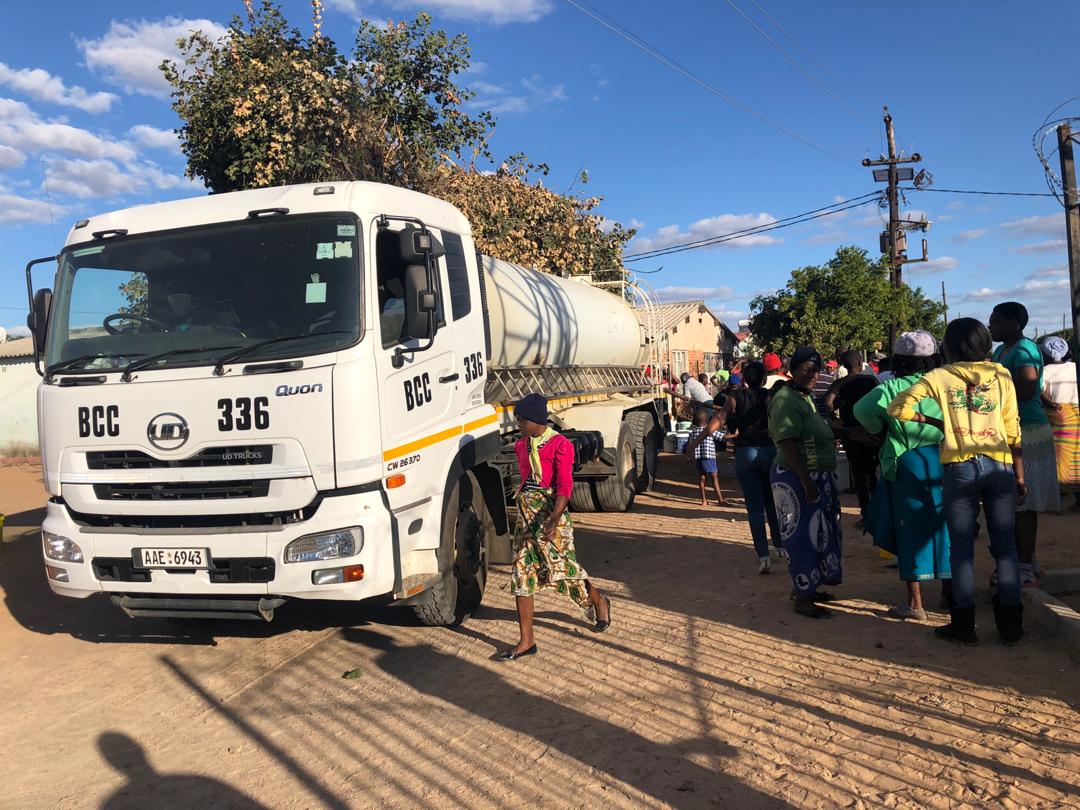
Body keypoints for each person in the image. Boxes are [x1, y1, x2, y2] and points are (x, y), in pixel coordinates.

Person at [888, 318, 1024, 646]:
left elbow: (897, 408)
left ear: (948, 346)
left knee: (961, 551)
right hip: (1000, 465)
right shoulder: (1002, 374)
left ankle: (964, 625)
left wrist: (936, 420)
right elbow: (1013, 429)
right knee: (1005, 548)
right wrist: (1020, 475)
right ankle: (1011, 625)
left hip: (959, 468)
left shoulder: (940, 376)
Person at [501, 394, 612, 661]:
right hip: (527, 515)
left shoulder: (561, 445)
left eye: (522, 419)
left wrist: (553, 520)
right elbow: (527, 480)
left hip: (552, 513)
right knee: (522, 572)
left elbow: (564, 486)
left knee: (564, 569)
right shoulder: (521, 446)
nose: (518, 424)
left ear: (536, 419)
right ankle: (526, 641)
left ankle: (598, 600)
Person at [854, 331, 950, 621]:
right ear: (933, 358)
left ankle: (915, 603)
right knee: (946, 525)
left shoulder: (890, 388)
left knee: (908, 527)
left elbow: (862, 410)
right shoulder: (943, 386)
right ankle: (949, 594)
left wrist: (880, 429)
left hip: (906, 463)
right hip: (945, 460)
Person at [768, 347, 843, 618]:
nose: (812, 374)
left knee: (818, 535)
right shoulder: (786, 399)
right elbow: (786, 440)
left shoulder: (803, 396)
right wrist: (804, 478)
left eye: (816, 369)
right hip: (797, 477)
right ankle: (802, 597)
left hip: (813, 475)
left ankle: (809, 587)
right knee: (802, 537)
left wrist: (848, 432)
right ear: (793, 370)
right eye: (806, 369)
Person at [989, 302, 1059, 585]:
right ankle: (1027, 559)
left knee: (1024, 502)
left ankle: (1026, 566)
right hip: (1012, 430)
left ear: (1014, 322)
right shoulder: (1000, 350)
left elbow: (1028, 387)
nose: (990, 326)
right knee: (1014, 504)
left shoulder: (1024, 350)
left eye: (995, 320)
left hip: (1028, 431)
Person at [722, 361, 783, 572]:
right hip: (769, 451)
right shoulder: (769, 396)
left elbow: (721, 416)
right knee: (772, 500)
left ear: (744, 379)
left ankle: (763, 556)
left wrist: (699, 438)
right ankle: (780, 544)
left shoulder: (735, 397)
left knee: (754, 506)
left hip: (745, 453)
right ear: (764, 378)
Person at [826, 350, 881, 525]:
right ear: (859, 363)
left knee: (858, 475)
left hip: (850, 434)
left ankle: (866, 515)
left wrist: (836, 419)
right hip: (871, 431)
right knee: (872, 473)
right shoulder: (870, 380)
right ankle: (878, 514)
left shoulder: (840, 382)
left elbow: (828, 403)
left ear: (843, 365)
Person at [1039, 335, 1080, 497]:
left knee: (1058, 456)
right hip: (1076, 414)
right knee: (1076, 454)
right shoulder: (1074, 367)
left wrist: (1050, 404)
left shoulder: (1046, 371)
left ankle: (1058, 496)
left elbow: (1041, 393)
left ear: (1046, 354)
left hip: (1058, 415)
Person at [685, 407, 726, 506]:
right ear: (707, 420)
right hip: (710, 457)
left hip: (699, 458)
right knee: (714, 477)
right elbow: (723, 437)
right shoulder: (710, 430)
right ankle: (720, 500)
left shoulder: (693, 432)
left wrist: (689, 456)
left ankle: (703, 500)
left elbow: (690, 445)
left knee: (702, 478)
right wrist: (736, 435)